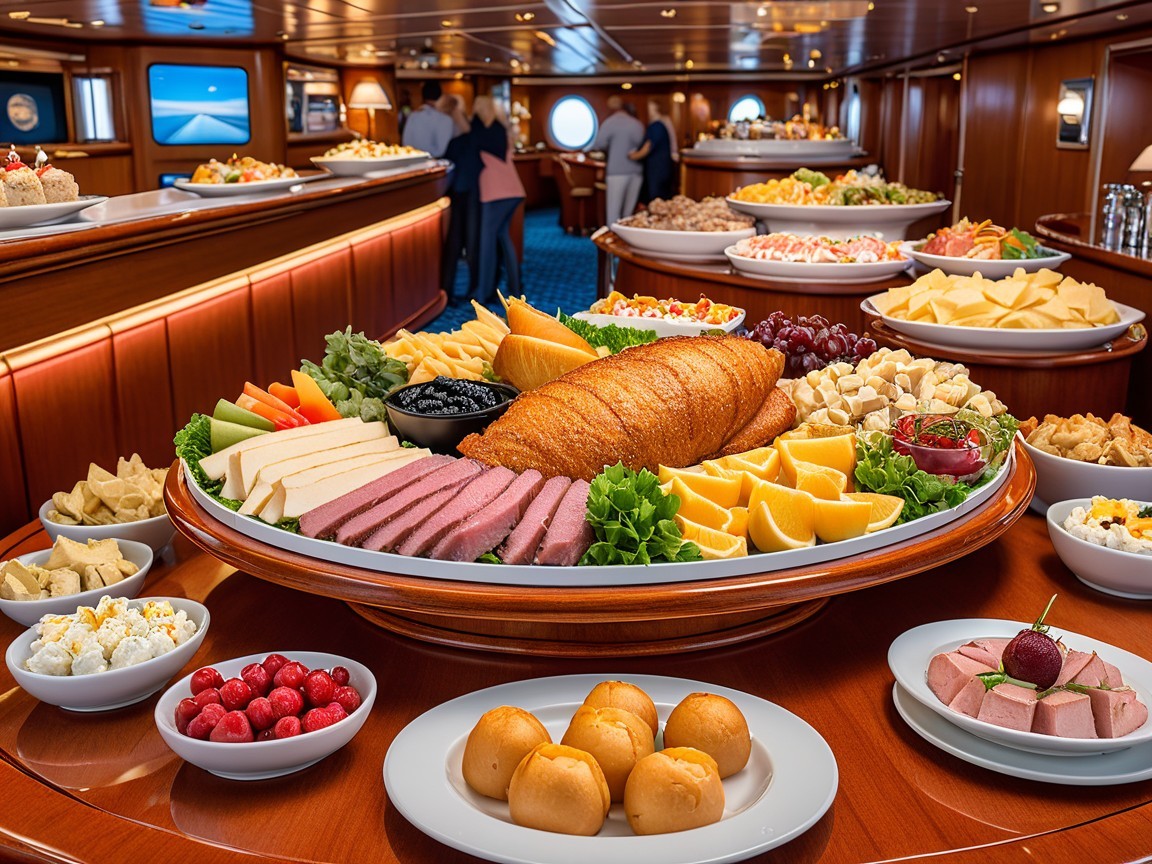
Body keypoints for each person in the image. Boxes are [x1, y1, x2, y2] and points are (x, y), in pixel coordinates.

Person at [472, 95, 526, 304]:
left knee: (487, 244)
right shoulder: (502, 130)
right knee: (504, 238)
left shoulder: (478, 132)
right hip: (513, 190)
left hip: (494, 193)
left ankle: (483, 293)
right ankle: (515, 286)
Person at [441, 95, 481, 303]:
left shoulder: (456, 140)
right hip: (470, 191)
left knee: (457, 244)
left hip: (458, 191)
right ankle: (472, 290)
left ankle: (451, 291)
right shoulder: (471, 138)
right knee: (468, 242)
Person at [592, 95, 645, 227]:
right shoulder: (637, 124)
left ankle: (611, 244)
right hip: (636, 171)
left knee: (613, 213)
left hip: (617, 172)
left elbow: (599, 144)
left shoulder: (610, 122)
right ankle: (626, 244)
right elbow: (642, 145)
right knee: (628, 215)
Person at [630, 99, 677, 204]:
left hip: (657, 171)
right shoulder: (660, 125)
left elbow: (647, 147)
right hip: (661, 170)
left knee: (657, 202)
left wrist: (632, 156)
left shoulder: (657, 126)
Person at [401, 81, 454, 158]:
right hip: (436, 165)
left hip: (412, 163)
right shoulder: (446, 120)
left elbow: (405, 143)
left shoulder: (412, 117)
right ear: (440, 97)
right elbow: (442, 150)